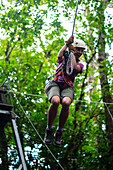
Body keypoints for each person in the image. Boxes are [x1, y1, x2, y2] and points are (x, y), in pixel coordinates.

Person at [44, 36, 85, 147]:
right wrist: (66, 45)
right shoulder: (64, 58)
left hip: (67, 86)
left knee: (66, 102)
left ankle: (59, 131)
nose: (80, 52)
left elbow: (74, 67)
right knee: (56, 101)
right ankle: (49, 129)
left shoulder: (80, 65)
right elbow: (59, 55)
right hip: (56, 83)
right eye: (78, 49)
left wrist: (72, 55)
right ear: (74, 48)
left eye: (82, 50)